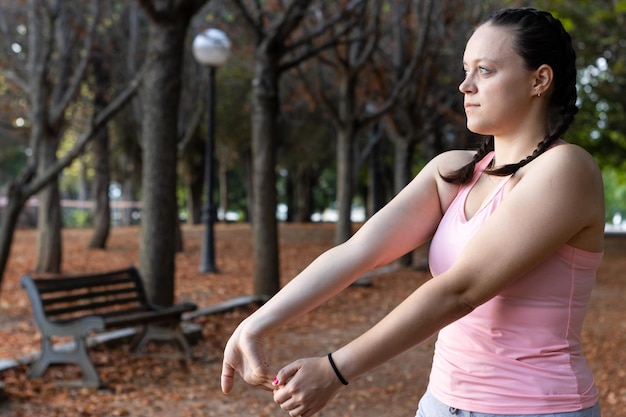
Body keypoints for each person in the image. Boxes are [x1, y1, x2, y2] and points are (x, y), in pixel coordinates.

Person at [221, 7, 605, 417]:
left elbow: (461, 291)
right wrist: (256, 323)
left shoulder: (566, 170)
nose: (464, 85)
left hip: (536, 408)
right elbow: (358, 251)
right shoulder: (453, 171)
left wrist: (335, 369)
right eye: (465, 69)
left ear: (539, 80)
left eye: (485, 70)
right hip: (441, 404)